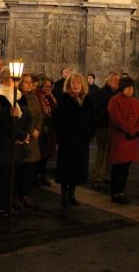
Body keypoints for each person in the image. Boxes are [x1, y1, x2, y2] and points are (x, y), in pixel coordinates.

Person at [0, 67, 31, 217]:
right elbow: (2, 122)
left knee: (11, 176)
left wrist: (25, 132)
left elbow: (26, 116)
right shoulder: (0, 97)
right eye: (17, 79)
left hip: (16, 143)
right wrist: (20, 134)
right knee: (2, 176)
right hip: (4, 143)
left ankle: (8, 204)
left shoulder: (17, 96)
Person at [53, 73, 95, 207]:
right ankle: (64, 194)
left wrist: (88, 135)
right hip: (68, 141)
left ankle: (72, 192)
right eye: (73, 83)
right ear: (69, 85)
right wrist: (63, 136)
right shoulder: (64, 99)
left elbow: (92, 120)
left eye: (78, 83)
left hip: (82, 141)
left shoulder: (87, 100)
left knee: (78, 168)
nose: (76, 85)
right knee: (66, 168)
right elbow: (58, 120)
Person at [107, 77, 139, 204]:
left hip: (131, 140)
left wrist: (138, 130)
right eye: (127, 88)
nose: (130, 90)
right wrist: (131, 130)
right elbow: (116, 119)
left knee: (126, 167)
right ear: (122, 88)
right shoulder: (114, 100)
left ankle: (121, 191)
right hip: (120, 138)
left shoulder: (136, 102)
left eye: (131, 88)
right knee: (118, 167)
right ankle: (115, 193)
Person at [90, 72, 120, 188]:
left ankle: (107, 175)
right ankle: (97, 176)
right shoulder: (101, 93)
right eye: (115, 80)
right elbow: (96, 111)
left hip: (114, 127)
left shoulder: (118, 94)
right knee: (101, 152)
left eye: (118, 81)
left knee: (111, 152)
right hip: (103, 126)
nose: (117, 83)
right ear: (109, 81)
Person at [18, 73, 43, 207]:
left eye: (30, 82)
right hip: (23, 137)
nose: (29, 84)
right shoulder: (18, 97)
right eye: (26, 82)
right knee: (21, 168)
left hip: (33, 139)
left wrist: (37, 128)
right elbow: (22, 117)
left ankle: (26, 193)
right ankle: (17, 195)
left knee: (30, 168)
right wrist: (29, 130)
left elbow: (39, 115)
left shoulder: (34, 98)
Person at [35, 77, 57, 186]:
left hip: (50, 129)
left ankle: (42, 175)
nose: (48, 88)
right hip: (43, 129)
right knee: (41, 154)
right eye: (46, 86)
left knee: (47, 154)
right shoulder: (38, 96)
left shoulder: (51, 97)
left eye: (49, 86)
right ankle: (37, 176)